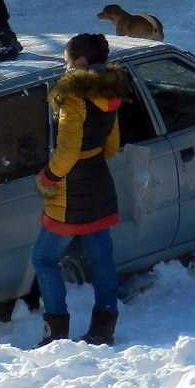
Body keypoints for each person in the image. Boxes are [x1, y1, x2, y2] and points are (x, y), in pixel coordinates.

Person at [31, 33, 129, 347]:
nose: (65, 68)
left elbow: (67, 153)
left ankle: (55, 333)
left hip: (71, 191)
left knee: (44, 259)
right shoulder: (110, 91)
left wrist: (47, 177)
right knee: (102, 261)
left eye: (67, 62)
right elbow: (111, 146)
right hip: (99, 182)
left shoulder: (73, 96)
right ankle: (103, 330)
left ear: (81, 63)